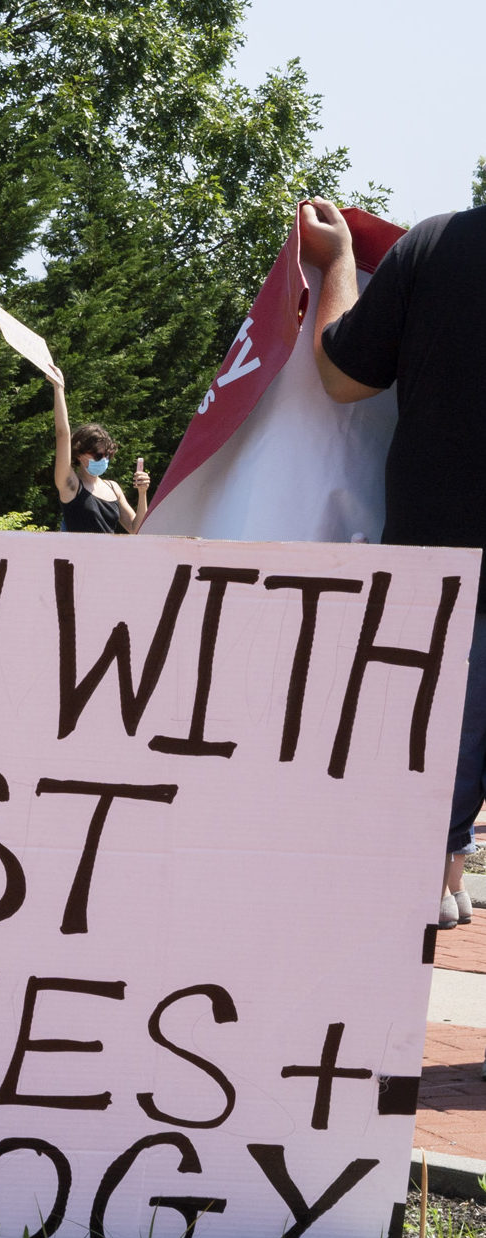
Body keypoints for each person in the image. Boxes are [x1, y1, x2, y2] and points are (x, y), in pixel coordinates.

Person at [300, 196, 486, 931]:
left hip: (444, 575)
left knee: (425, 780)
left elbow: (343, 376)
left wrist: (337, 262)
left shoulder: (435, 246)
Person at [45, 368, 149, 532]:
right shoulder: (71, 485)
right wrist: (59, 388)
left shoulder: (113, 488)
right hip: (76, 557)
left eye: (108, 454)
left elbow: (136, 529)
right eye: (98, 455)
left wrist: (142, 493)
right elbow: (62, 435)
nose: (104, 459)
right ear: (79, 454)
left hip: (109, 557)